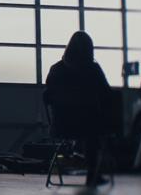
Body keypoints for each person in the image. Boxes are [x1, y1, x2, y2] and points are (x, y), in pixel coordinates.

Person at [43, 31, 114, 187]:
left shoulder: (56, 69)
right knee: (94, 130)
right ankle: (93, 173)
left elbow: (47, 95)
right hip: (89, 127)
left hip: (61, 127)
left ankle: (76, 152)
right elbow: (107, 94)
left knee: (86, 126)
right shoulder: (93, 70)